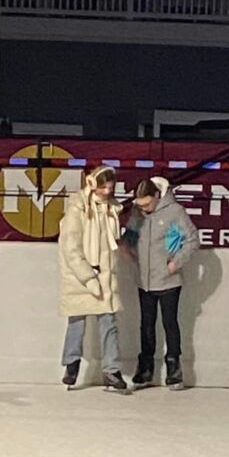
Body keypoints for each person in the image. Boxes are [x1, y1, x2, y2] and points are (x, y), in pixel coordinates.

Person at [121, 176, 200, 390]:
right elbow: (130, 235)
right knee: (146, 324)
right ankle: (145, 369)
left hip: (168, 280)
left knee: (169, 323)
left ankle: (174, 369)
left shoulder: (175, 212)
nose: (144, 208)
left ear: (157, 196)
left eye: (147, 204)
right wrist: (129, 250)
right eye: (140, 205)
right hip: (144, 280)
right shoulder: (139, 213)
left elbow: (192, 239)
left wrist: (175, 263)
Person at [58, 164, 128, 392]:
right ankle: (72, 364)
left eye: (110, 187)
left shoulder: (111, 211)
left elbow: (112, 243)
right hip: (81, 275)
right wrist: (88, 276)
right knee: (77, 321)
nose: (107, 192)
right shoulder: (77, 210)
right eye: (103, 187)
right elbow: (71, 247)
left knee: (109, 322)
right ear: (93, 185)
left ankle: (111, 369)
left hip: (105, 274)